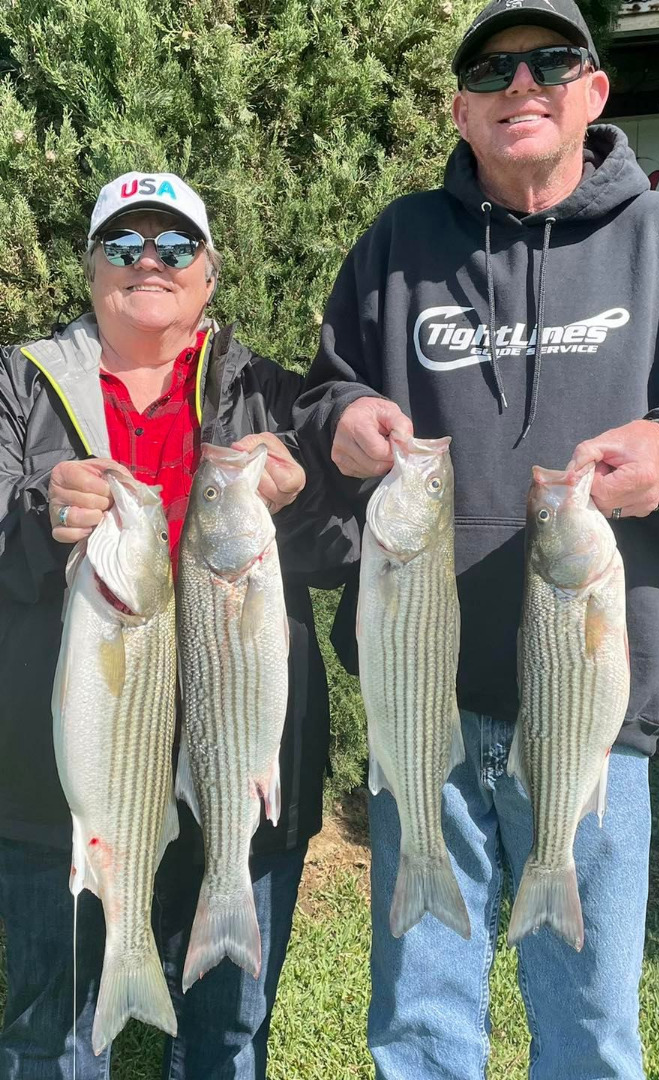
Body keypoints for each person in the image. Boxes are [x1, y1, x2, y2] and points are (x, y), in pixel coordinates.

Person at [295, 1, 659, 1076]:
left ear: (593, 92)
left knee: (593, 1031)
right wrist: (343, 422)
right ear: (460, 109)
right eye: (493, 70)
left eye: (551, 62)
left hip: (594, 709)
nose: (523, 85)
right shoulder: (398, 243)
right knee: (418, 1024)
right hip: (426, 703)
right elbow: (326, 396)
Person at [0, 171, 356, 1079]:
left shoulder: (272, 394)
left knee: (228, 1035)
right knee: (52, 1036)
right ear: (89, 270)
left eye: (174, 245)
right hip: (72, 781)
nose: (148, 261)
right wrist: (38, 508)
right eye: (123, 246)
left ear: (210, 272)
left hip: (239, 760)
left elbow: (357, 545)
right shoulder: (18, 383)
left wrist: (304, 493)